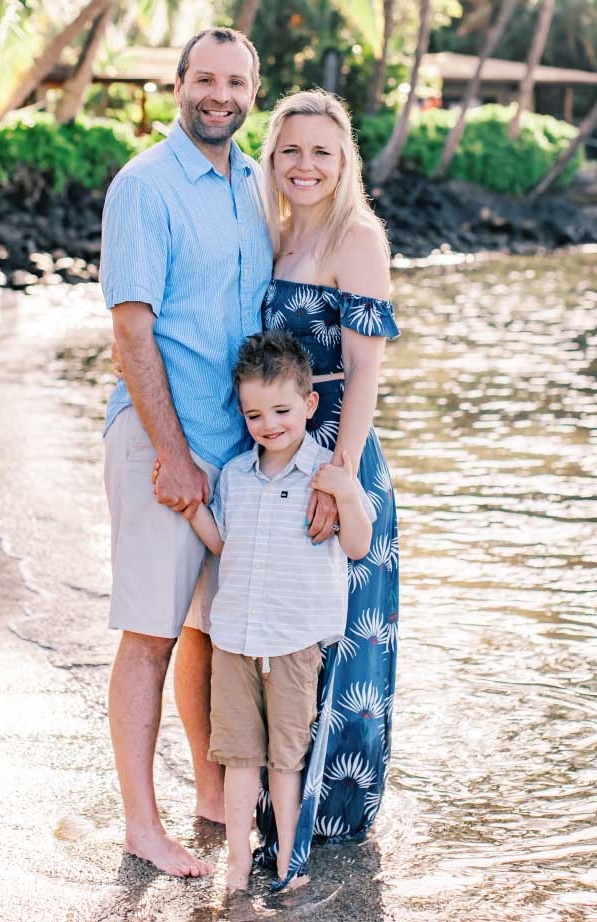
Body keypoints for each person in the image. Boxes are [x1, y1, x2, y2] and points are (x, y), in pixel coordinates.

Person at [99, 27, 274, 877]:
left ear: (252, 91)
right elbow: (131, 328)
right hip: (162, 445)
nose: (219, 94)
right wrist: (171, 452)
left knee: (208, 630)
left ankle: (211, 793)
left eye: (235, 82)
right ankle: (142, 823)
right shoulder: (146, 185)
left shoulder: (252, 183)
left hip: (234, 457)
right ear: (178, 86)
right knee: (150, 634)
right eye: (204, 78)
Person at [153, 331, 375, 890]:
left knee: (286, 757)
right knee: (238, 753)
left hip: (296, 639)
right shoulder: (235, 475)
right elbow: (224, 544)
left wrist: (346, 493)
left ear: (309, 404)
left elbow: (358, 547)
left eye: (281, 409)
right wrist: (188, 506)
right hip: (234, 637)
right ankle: (236, 858)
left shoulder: (326, 476)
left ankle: (287, 860)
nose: (269, 424)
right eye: (255, 414)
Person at [255, 89, 400, 888]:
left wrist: (338, 476)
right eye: (290, 151)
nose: (305, 166)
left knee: (344, 632)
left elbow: (367, 369)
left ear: (344, 162)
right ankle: (275, 800)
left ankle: (333, 818)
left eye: (322, 152)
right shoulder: (279, 233)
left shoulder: (357, 237)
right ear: (273, 158)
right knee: (289, 632)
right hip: (281, 456)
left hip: (337, 455)